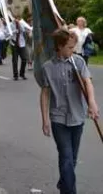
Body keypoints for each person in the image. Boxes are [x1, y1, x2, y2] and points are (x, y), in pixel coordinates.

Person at [40, 29, 99, 194]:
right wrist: (45, 120)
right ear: (59, 46)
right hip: (58, 118)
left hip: (77, 117)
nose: (73, 50)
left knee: (71, 160)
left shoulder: (78, 62)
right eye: (70, 47)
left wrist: (92, 102)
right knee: (66, 157)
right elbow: (45, 94)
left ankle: (64, 181)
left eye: (74, 47)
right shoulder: (47, 67)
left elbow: (88, 82)